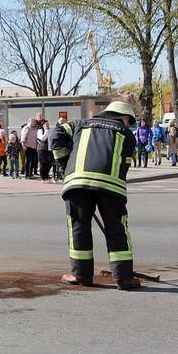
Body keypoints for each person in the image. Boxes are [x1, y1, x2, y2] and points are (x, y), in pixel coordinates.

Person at [51, 101, 140, 290]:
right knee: (117, 229)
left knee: (79, 228)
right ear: (123, 117)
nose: (127, 125)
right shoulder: (126, 135)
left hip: (77, 183)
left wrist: (65, 164)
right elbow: (123, 165)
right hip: (111, 187)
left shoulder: (79, 124)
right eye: (128, 121)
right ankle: (124, 277)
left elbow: (55, 135)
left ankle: (81, 275)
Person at [51, 115, 71, 182]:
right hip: (61, 149)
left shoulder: (57, 129)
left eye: (64, 121)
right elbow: (68, 137)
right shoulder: (61, 129)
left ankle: (58, 176)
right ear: (58, 122)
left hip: (58, 149)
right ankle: (61, 176)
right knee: (62, 164)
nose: (63, 123)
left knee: (60, 164)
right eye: (61, 121)